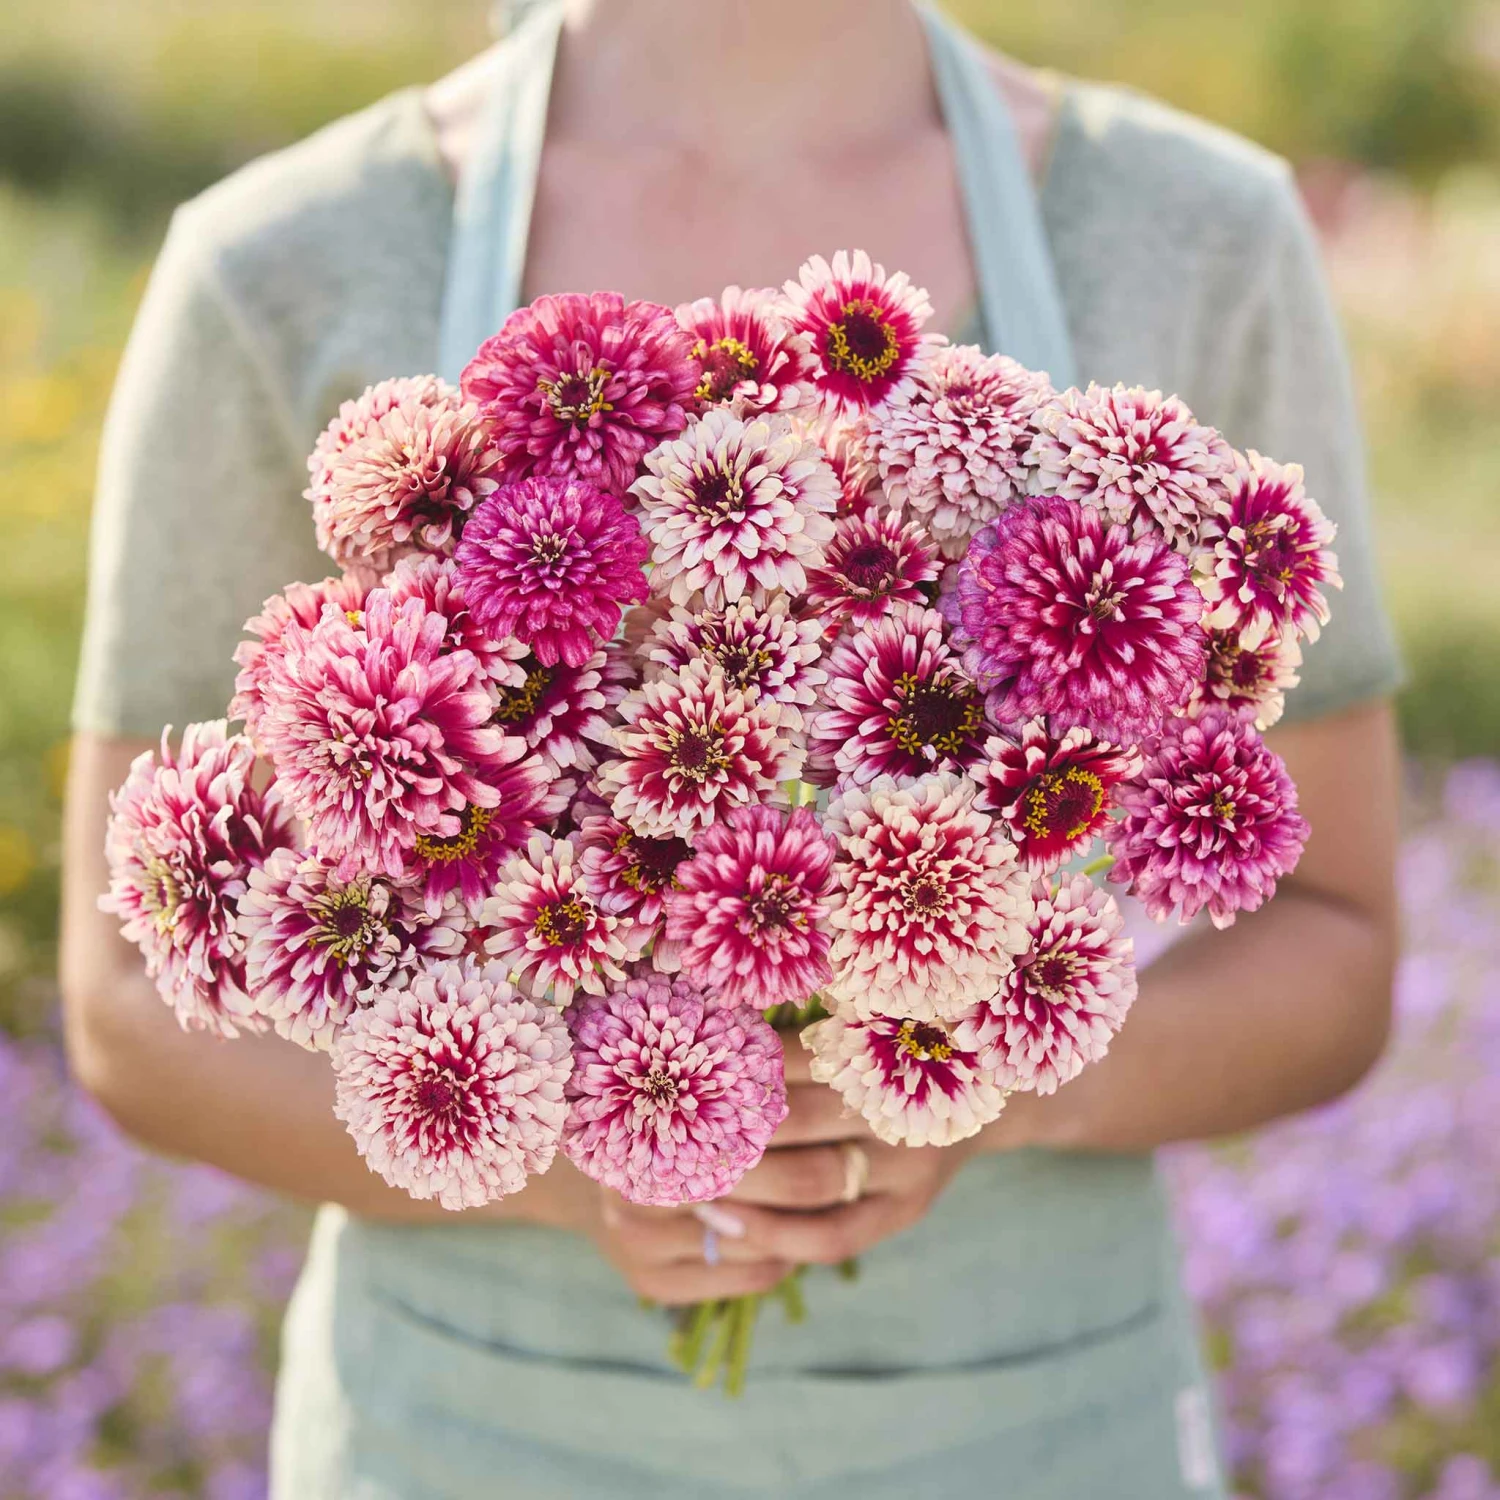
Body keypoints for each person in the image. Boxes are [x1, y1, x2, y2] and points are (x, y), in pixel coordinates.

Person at [59, 1, 1402, 1495]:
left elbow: (1334, 940)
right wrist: (576, 1166)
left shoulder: (1199, 227)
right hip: (476, 1431)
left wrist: (968, 1080)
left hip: (1030, 1423)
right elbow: (127, 991)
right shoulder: (281, 257)